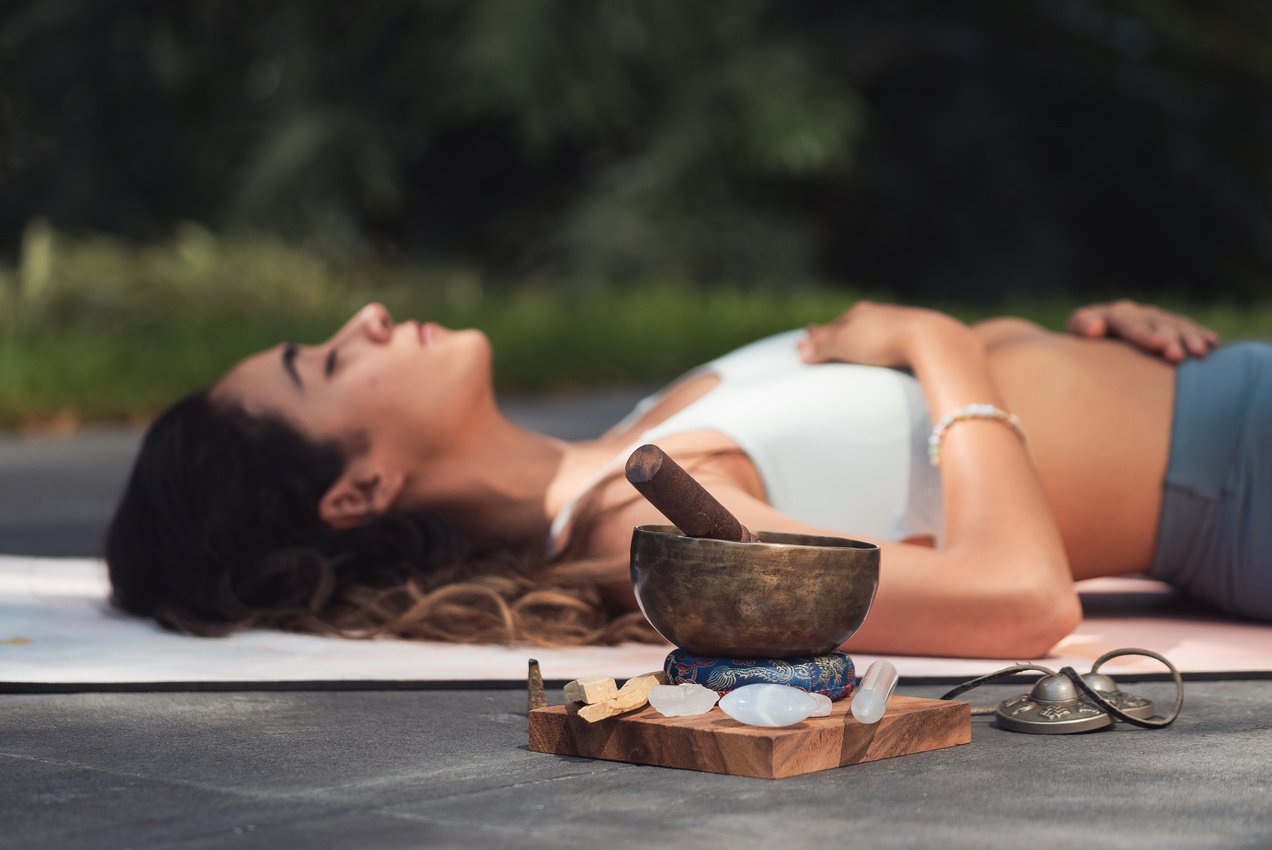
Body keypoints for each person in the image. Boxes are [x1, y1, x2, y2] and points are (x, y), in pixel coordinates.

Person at [106, 298, 1269, 658]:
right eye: (324, 364)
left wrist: (1064, 336)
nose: (361, 321)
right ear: (355, 492)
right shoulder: (642, 532)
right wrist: (942, 342)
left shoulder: (630, 438)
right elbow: (1022, 600)